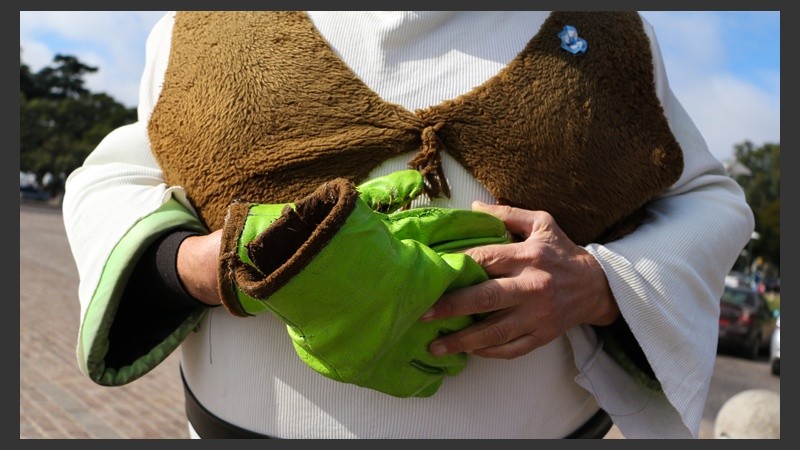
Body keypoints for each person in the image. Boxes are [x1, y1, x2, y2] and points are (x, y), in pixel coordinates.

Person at [62, 11, 754, 439]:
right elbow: (112, 180)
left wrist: (598, 283)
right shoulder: (199, 26)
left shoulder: (612, 32)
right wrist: (213, 265)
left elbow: (708, 199)